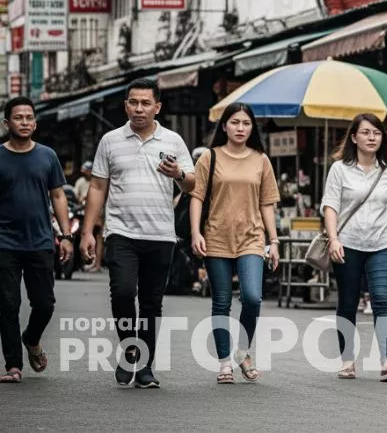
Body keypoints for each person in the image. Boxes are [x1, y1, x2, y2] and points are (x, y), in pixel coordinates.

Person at [81, 79, 195, 388]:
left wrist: (179, 175)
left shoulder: (172, 140)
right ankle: (130, 346)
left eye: (146, 103)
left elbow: (192, 183)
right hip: (121, 232)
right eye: (134, 102)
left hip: (160, 234)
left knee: (151, 304)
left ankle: (145, 367)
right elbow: (98, 186)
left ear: (157, 107)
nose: (139, 108)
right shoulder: (110, 140)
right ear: (126, 105)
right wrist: (87, 232)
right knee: (122, 292)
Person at [189, 103, 281, 385]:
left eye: (246, 123)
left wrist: (273, 240)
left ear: (252, 128)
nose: (241, 128)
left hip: (251, 238)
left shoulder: (261, 159)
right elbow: (197, 197)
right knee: (222, 302)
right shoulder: (209, 158)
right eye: (235, 122)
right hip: (216, 236)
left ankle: (242, 351)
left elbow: (267, 203)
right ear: (225, 126)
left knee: (252, 297)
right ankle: (224, 362)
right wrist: (196, 233)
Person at [321, 113, 387, 382]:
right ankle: (347, 361)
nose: (372, 137)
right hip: (347, 245)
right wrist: (334, 239)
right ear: (354, 137)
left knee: (382, 299)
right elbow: (330, 206)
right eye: (366, 132)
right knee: (348, 302)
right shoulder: (339, 169)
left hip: (381, 244)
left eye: (377, 133)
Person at [0, 97, 72, 384]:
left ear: (35, 123)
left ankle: (32, 338)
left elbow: (58, 195)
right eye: (19, 118)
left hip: (41, 241)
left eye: (29, 117)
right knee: (7, 305)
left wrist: (66, 236)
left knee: (44, 303)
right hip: (4, 243)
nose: (25, 122)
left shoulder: (47, 156)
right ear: (7, 123)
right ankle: (13, 365)